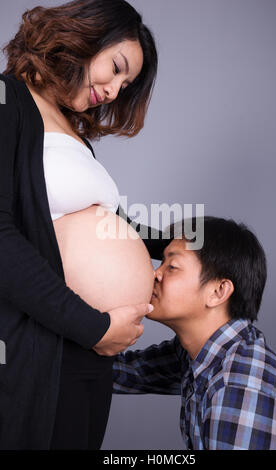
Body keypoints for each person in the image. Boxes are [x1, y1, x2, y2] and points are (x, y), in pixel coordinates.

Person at [0, 0, 170, 450]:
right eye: (115, 68)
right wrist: (94, 326)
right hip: (46, 347)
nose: (115, 91)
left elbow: (111, 223)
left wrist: (192, 239)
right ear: (83, 36)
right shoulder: (7, 102)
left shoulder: (72, 133)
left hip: (88, 353)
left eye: (125, 84)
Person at [113, 216, 276, 450]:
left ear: (218, 291)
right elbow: (125, 374)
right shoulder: (204, 350)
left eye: (171, 267)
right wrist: (95, 328)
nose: (154, 274)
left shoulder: (239, 386)